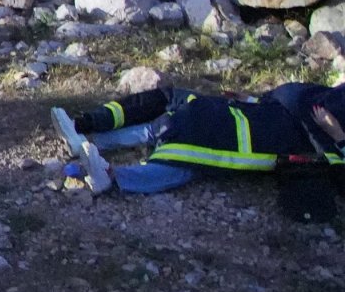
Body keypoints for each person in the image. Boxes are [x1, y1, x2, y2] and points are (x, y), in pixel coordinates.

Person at [52, 83, 345, 217]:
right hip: (248, 118)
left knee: (180, 150)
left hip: (252, 128)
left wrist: (337, 136)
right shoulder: (326, 98)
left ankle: (105, 165)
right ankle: (93, 142)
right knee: (175, 139)